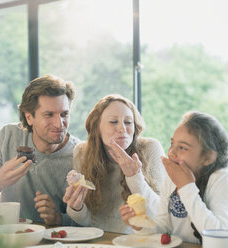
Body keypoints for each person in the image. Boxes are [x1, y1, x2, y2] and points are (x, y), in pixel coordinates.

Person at [0, 74, 80, 225]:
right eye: (49, 115)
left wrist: (59, 219)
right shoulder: (8, 136)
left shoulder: (80, 154)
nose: (59, 124)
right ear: (29, 117)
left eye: (64, 114)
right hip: (9, 237)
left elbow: (91, 221)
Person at [119, 111, 228, 247]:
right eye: (172, 144)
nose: (171, 152)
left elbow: (220, 235)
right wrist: (140, 225)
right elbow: (163, 227)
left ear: (208, 157)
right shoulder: (171, 178)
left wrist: (186, 187)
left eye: (182, 148)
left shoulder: (220, 179)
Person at [61, 94, 167, 234]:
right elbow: (88, 221)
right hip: (99, 241)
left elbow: (162, 216)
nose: (122, 129)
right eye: (113, 122)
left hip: (139, 241)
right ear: (97, 127)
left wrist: (135, 177)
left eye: (128, 122)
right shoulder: (82, 152)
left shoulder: (150, 149)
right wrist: (76, 208)